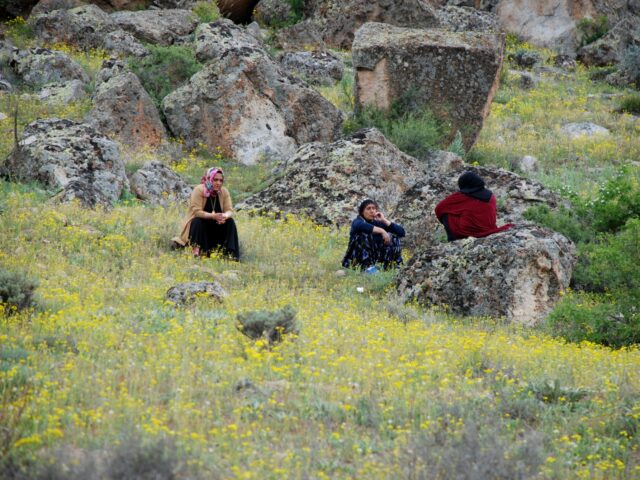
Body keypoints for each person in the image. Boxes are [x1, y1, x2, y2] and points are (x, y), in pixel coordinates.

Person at [172, 167, 240, 259]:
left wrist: (224, 216)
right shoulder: (199, 190)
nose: (218, 183)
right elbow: (197, 212)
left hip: (216, 227)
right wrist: (213, 216)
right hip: (202, 227)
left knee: (230, 222)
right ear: (209, 178)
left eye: (221, 180)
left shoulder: (224, 191)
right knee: (197, 221)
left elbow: (229, 210)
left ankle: (230, 254)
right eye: (215, 180)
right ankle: (196, 250)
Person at [434, 171, 514, 242]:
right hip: (489, 230)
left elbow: (439, 208)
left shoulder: (462, 196)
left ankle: (453, 240)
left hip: (466, 234)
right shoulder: (491, 195)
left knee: (445, 213)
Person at [342, 199, 406, 270]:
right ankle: (365, 267)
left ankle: (391, 267)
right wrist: (382, 231)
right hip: (357, 259)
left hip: (375, 258)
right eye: (368, 208)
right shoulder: (357, 221)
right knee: (363, 235)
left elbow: (401, 233)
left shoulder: (378, 223)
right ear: (362, 212)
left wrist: (384, 220)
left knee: (394, 237)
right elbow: (361, 226)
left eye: (374, 208)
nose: (372, 211)